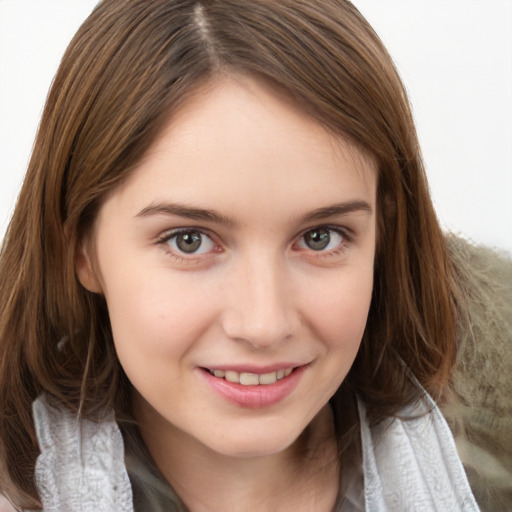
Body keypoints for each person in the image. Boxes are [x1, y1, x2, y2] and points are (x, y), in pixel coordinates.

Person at [0, 1, 510, 510]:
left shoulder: (492, 458)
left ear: (384, 232)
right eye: (189, 241)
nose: (264, 325)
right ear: (80, 249)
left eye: (320, 237)